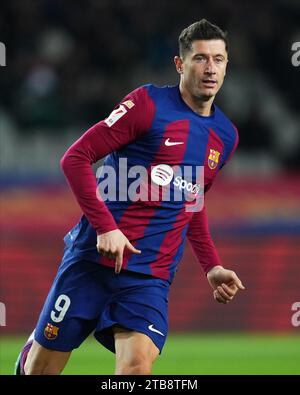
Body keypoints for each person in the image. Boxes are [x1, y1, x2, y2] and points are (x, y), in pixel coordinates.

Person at [15, 18, 245, 375]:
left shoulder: (225, 136)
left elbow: (192, 202)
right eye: (200, 58)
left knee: (136, 369)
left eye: (218, 59)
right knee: (39, 371)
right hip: (91, 263)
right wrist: (106, 228)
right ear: (180, 64)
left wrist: (211, 264)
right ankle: (33, 352)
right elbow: (74, 158)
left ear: (227, 64)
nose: (210, 68)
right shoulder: (148, 104)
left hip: (149, 277)